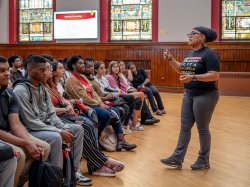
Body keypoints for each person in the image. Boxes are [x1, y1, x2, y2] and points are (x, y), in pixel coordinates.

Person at [12, 55, 92, 186]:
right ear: (30, 70)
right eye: (42, 70)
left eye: (46, 69)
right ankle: (56, 180)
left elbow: (51, 113)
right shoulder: (21, 90)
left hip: (45, 126)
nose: (45, 73)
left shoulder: (41, 88)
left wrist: (62, 127)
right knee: (55, 137)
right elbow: (30, 121)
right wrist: (58, 131)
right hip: (30, 130)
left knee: (77, 129)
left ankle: (73, 172)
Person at [160, 26, 220, 170]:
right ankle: (177, 158)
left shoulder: (210, 54)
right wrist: (171, 60)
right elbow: (182, 69)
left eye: (193, 33)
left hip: (205, 94)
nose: (189, 35)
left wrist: (193, 77)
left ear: (202, 37)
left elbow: (214, 75)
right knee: (185, 127)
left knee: (202, 128)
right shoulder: (190, 53)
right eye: (189, 33)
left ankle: (204, 160)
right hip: (189, 94)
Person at [0, 56, 50, 187]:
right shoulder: (20, 88)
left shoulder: (9, 94)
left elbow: (16, 125)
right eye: (1, 71)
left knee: (44, 147)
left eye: (7, 70)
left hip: (8, 131)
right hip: (2, 135)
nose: (7, 73)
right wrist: (25, 143)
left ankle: (21, 181)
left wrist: (29, 142)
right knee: (19, 154)